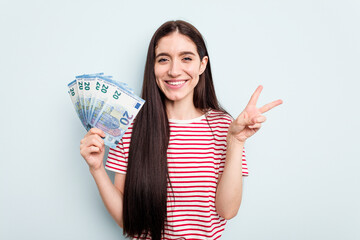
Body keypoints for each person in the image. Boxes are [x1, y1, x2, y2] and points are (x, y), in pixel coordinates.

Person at [80, 20, 282, 240]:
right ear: (153, 66)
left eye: (186, 58)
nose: (174, 71)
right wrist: (97, 169)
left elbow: (227, 211)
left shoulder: (225, 126)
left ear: (202, 65)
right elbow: (128, 221)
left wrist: (236, 141)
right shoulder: (130, 126)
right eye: (163, 59)